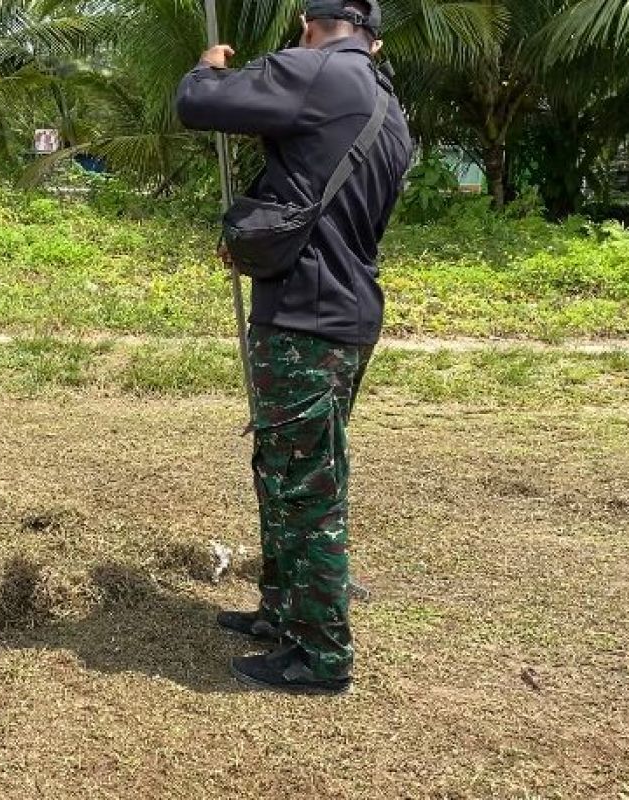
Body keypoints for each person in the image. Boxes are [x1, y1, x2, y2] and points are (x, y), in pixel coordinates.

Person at [176, 0, 412, 693]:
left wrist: (207, 66)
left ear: (311, 26)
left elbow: (198, 102)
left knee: (307, 487)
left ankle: (320, 657)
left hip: (307, 320)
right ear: (373, 34)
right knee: (285, 467)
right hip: (343, 312)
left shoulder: (315, 73)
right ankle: (281, 612)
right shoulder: (386, 104)